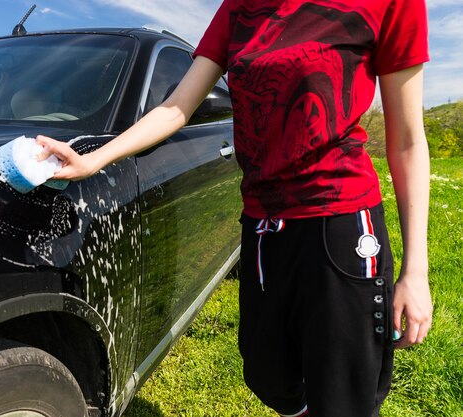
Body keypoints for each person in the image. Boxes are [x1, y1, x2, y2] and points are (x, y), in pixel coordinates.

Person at [37, 0, 433, 415]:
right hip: (262, 224)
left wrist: (415, 271)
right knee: (268, 376)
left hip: (339, 221)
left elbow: (407, 141)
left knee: (342, 394)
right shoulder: (239, 8)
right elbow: (176, 108)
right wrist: (94, 158)